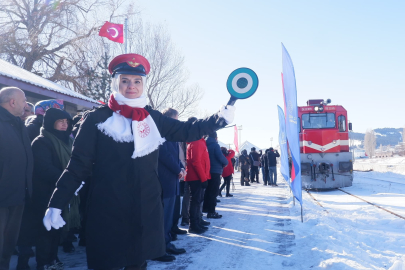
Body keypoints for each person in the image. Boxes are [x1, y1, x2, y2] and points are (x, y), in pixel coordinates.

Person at [42, 53, 235, 270]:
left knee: (138, 262)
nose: (131, 86)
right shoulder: (97, 119)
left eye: (137, 81)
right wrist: (57, 202)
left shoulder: (152, 117)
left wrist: (219, 118)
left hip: (145, 207)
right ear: (116, 83)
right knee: (108, 262)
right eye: (125, 80)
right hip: (108, 208)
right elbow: (77, 166)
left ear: (143, 85)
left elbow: (187, 130)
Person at [30, 108, 74, 270]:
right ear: (51, 123)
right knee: (45, 229)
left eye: (66, 122)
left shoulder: (68, 141)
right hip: (45, 192)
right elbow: (44, 168)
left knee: (56, 228)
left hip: (62, 191)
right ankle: (43, 262)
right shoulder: (41, 141)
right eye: (60, 121)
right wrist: (70, 179)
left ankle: (53, 257)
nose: (64, 125)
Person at [0, 87, 33, 270]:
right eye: (24, 100)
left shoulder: (18, 124)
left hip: (17, 196)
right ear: (12, 102)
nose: (26, 105)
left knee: (8, 247)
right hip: (2, 198)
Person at [157, 108, 187, 262]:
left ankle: (166, 243)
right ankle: (159, 249)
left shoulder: (170, 134)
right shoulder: (161, 133)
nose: (177, 122)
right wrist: (178, 169)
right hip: (165, 181)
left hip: (172, 180)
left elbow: (174, 156)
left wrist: (181, 169)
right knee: (163, 217)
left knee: (169, 217)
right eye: (176, 119)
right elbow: (164, 155)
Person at [203, 132, 228, 219]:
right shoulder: (215, 145)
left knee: (208, 191)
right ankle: (211, 211)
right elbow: (220, 157)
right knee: (213, 192)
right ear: (216, 137)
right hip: (215, 171)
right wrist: (226, 162)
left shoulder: (205, 144)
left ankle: (205, 208)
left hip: (207, 170)